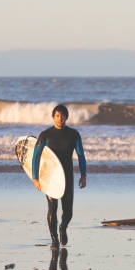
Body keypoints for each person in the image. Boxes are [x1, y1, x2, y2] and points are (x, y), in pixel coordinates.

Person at [32, 104, 87, 248]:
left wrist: (83, 175)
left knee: (68, 211)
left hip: (67, 175)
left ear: (66, 117)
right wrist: (35, 177)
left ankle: (62, 228)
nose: (60, 119)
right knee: (52, 207)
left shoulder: (73, 134)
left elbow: (81, 155)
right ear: (53, 117)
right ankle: (54, 239)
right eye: (57, 116)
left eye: (62, 116)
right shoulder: (45, 135)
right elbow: (35, 157)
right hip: (50, 176)